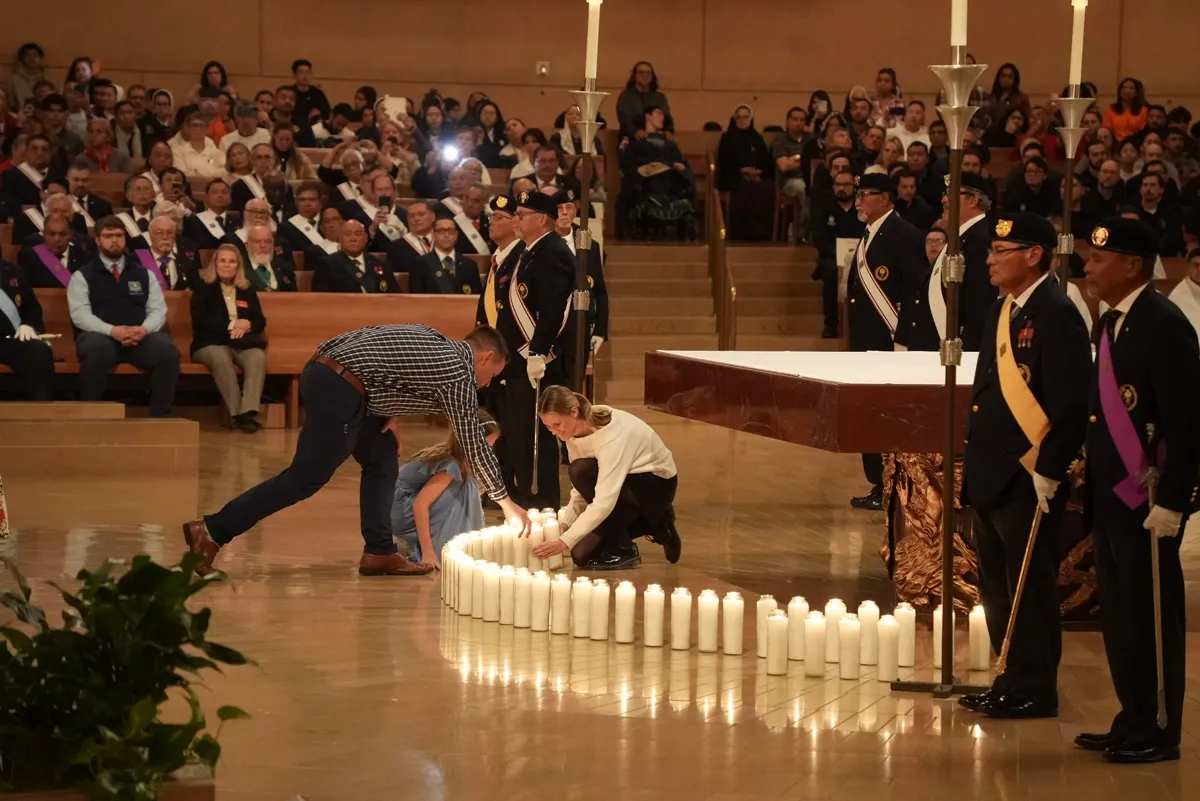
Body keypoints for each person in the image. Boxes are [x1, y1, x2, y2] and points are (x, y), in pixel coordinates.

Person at [181, 324, 531, 577]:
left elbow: (390, 362)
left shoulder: (435, 340)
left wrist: (389, 412)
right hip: (339, 386)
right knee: (304, 479)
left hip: (339, 377)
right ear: (485, 357)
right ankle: (212, 530)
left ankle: (379, 552)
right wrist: (506, 503)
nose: (486, 384)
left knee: (382, 456)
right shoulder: (458, 370)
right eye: (491, 375)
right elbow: (472, 440)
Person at [955, 213, 1092, 720]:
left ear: (1034, 255)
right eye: (991, 251)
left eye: (1000, 251)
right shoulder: (1002, 309)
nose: (989, 260)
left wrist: (1049, 470)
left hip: (1029, 476)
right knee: (997, 586)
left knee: (1028, 589)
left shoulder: (1057, 313)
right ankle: (1008, 677)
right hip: (992, 474)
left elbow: (1072, 405)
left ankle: (1035, 688)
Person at [1076, 217, 1200, 764]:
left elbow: (1186, 422)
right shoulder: (1111, 322)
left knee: (1152, 616)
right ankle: (1132, 716)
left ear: (1132, 266)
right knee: (1123, 616)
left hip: (1148, 500)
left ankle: (1160, 728)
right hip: (1112, 495)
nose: (1088, 267)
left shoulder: (1164, 324)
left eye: (1098, 259)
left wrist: (1174, 501)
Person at [845, 173, 927, 511]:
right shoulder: (869, 234)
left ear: (885, 198)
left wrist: (904, 339)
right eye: (859, 194)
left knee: (886, 414)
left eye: (865, 194)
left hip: (889, 340)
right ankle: (878, 481)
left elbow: (915, 291)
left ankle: (894, 484)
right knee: (868, 413)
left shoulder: (904, 234)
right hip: (866, 342)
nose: (859, 201)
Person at [532, 386, 680, 570]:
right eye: (548, 426)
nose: (554, 432)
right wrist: (566, 523)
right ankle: (653, 524)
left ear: (574, 412)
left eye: (557, 424)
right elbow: (580, 490)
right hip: (620, 487)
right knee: (580, 554)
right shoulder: (572, 433)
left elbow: (603, 501)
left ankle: (628, 546)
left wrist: (563, 542)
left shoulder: (611, 438)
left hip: (655, 487)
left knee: (579, 470)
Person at [491, 190, 574, 508]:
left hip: (538, 362)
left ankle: (541, 501)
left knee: (534, 434)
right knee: (518, 433)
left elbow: (552, 309)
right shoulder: (531, 251)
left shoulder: (551, 252)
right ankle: (527, 494)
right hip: (519, 361)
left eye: (522, 215)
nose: (517, 219)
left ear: (541, 219)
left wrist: (538, 352)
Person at [67, 216, 181, 417]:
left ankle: (160, 416)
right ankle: (89, 415)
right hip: (101, 336)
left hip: (139, 337)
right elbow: (80, 315)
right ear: (97, 240)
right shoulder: (82, 275)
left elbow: (158, 310)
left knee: (168, 352)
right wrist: (112, 331)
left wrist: (143, 330)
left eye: (119, 235)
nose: (114, 240)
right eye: (108, 236)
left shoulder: (144, 274)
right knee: (95, 349)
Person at [896, 172, 995, 352]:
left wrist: (968, 354)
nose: (943, 201)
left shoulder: (979, 240)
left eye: (950, 194)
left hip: (954, 354)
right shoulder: (960, 238)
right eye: (945, 194)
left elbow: (979, 306)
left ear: (973, 200)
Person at [392, 410, 502, 568]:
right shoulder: (451, 464)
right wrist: (428, 553)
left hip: (406, 504)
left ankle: (455, 542)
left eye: (490, 447)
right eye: (484, 447)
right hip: (398, 509)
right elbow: (420, 504)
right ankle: (435, 548)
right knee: (468, 487)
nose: (487, 452)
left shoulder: (461, 461)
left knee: (469, 487)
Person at [189, 245, 267, 433]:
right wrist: (232, 325)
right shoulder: (202, 286)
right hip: (209, 342)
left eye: (232, 261)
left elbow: (260, 320)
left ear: (238, 266)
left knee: (257, 357)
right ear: (215, 264)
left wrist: (247, 324)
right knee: (221, 358)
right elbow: (200, 319)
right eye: (222, 261)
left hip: (241, 343)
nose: (227, 265)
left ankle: (248, 411)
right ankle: (237, 414)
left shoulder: (246, 288)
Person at [0, 252, 55, 400]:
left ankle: (41, 410)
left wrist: (29, 325)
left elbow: (32, 309)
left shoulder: (14, 272)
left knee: (38, 351)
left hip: (10, 340)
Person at [717, 104, 775, 241]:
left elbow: (766, 161)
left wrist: (758, 172)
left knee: (767, 188)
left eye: (745, 117)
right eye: (739, 117)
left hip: (756, 176)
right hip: (733, 176)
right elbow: (724, 161)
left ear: (751, 119)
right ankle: (742, 234)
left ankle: (762, 232)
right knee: (745, 188)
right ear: (734, 119)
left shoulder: (757, 138)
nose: (742, 120)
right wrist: (742, 170)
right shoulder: (727, 138)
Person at [312, 220, 402, 294]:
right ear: (339, 239)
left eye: (358, 234)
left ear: (366, 238)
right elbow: (321, 300)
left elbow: (396, 296)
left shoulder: (381, 264)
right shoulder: (327, 264)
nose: (353, 239)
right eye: (348, 234)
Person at [616, 61, 673, 140]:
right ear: (634, 76)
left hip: (656, 138)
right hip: (631, 139)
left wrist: (668, 131)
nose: (644, 75)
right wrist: (635, 132)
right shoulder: (626, 96)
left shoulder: (659, 98)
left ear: (652, 76)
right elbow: (625, 119)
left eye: (648, 73)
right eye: (641, 72)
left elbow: (667, 118)